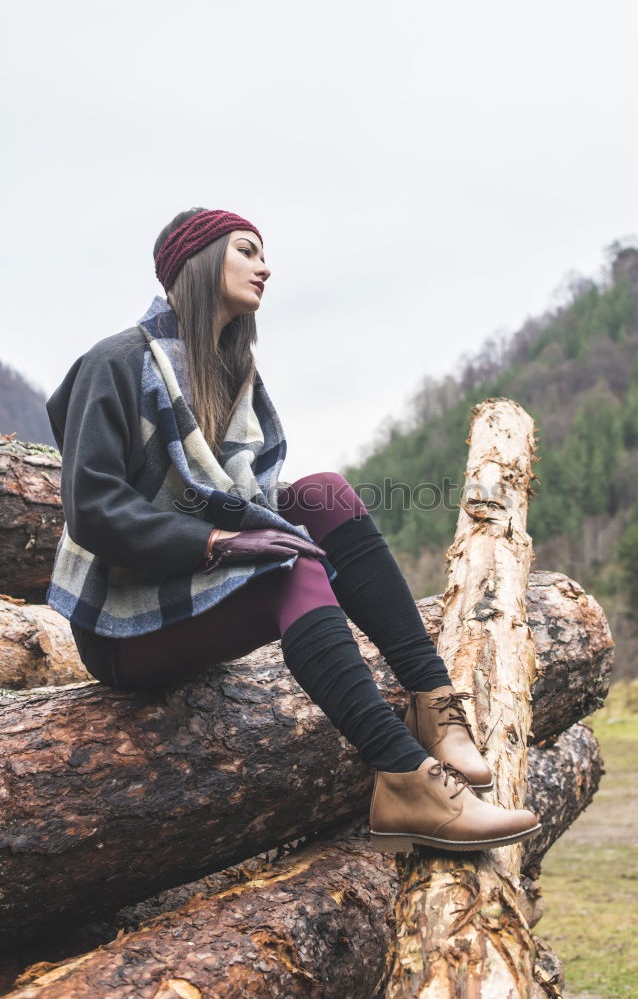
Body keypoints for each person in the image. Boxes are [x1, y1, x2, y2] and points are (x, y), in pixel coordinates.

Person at [45, 207, 540, 854]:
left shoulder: (228, 377)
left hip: (187, 590)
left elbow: (238, 497)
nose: (265, 267)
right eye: (246, 250)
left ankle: (431, 699)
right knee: (292, 568)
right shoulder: (116, 360)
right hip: (120, 623)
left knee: (325, 494)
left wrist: (242, 531)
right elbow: (92, 505)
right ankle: (404, 781)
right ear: (196, 262)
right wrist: (218, 544)